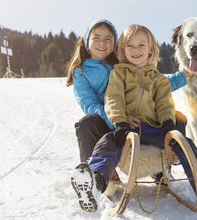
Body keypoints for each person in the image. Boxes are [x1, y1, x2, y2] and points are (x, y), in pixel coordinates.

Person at [70, 24, 197, 213]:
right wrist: (119, 122)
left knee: (185, 143)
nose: (136, 50)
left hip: (154, 128)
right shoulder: (118, 73)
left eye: (141, 46)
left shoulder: (157, 79)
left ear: (151, 50)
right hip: (128, 127)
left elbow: (164, 102)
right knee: (107, 142)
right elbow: (113, 98)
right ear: (123, 49)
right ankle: (94, 183)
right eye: (131, 46)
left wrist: (168, 123)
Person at [66, 19, 187, 164]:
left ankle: (164, 162)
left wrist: (183, 76)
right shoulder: (81, 72)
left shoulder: (123, 64)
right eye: (96, 38)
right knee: (86, 123)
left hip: (136, 119)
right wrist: (119, 119)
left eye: (108, 39)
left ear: (116, 44)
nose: (102, 43)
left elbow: (154, 85)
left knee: (175, 117)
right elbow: (89, 103)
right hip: (108, 121)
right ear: (87, 41)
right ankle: (89, 170)